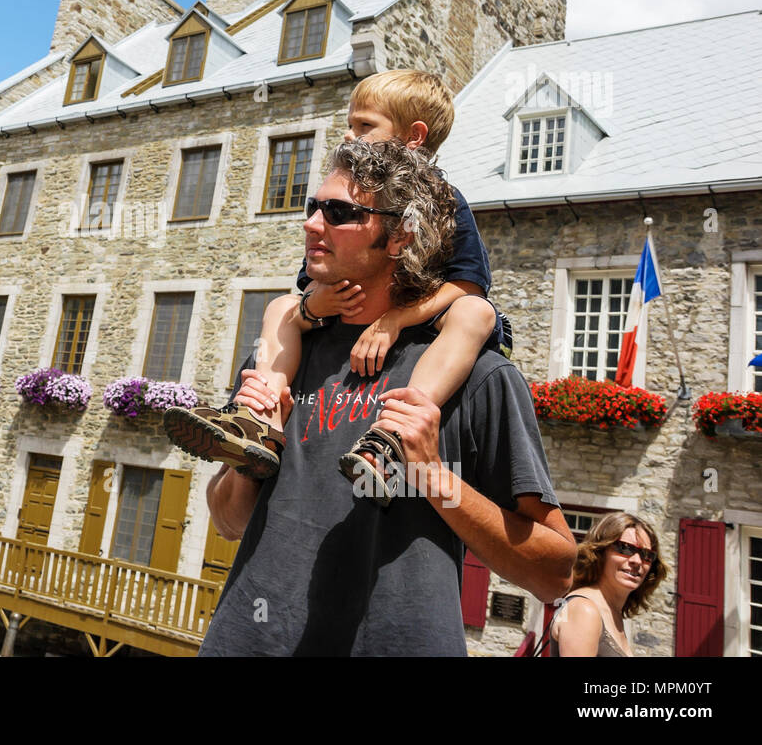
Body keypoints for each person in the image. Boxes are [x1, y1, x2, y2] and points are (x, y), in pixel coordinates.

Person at [199, 139, 575, 656]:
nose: (312, 223)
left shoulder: (479, 377)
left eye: (339, 212)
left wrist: (434, 476)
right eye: (314, 207)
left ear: (400, 236)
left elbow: (557, 573)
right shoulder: (279, 357)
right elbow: (227, 522)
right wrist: (253, 460)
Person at [166, 70, 502, 491]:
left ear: (414, 136)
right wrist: (311, 306)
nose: (348, 135)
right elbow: (310, 282)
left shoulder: (445, 199)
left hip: (421, 312)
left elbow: (469, 283)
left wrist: (395, 320)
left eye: (364, 126)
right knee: (280, 308)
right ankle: (259, 421)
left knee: (475, 313)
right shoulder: (342, 190)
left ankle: (392, 437)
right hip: (342, 308)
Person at [549, 512, 666, 657]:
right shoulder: (583, 609)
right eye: (625, 548)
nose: (637, 560)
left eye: (647, 555)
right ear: (600, 552)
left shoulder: (611, 611)